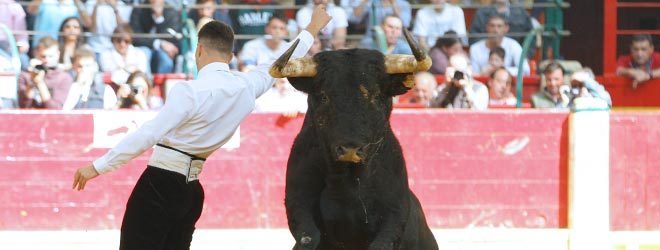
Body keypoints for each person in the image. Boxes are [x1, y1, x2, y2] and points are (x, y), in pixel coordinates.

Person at [72, 5, 332, 249]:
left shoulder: (188, 91)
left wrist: (98, 167)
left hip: (160, 184)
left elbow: (149, 133)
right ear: (231, 56)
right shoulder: (247, 87)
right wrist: (312, 28)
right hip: (192, 191)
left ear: (198, 50)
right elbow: (281, 60)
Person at [18, 37, 73, 109]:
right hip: (29, 118)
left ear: (58, 54)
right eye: (43, 56)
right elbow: (23, 106)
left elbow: (55, 109)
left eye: (51, 56)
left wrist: (40, 83)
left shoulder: (64, 78)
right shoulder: (25, 75)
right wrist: (31, 83)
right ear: (37, 54)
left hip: (52, 119)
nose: (47, 60)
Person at [129, 0, 181, 74]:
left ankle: (163, 84)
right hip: (144, 46)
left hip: (163, 49)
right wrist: (158, 43)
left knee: (166, 60)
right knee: (143, 55)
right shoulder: (139, 10)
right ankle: (146, 82)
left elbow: (173, 36)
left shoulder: (171, 12)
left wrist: (159, 17)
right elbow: (136, 37)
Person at [531, 62, 611, 108]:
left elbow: (606, 100)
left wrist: (586, 80)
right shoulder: (536, 99)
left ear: (563, 79)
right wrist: (563, 103)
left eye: (556, 79)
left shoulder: (572, 95)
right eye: (549, 80)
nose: (552, 83)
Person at [469, 0, 533, 46]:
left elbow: (531, 37)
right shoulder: (481, 13)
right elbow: (474, 37)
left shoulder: (521, 13)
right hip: (487, 56)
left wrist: (524, 56)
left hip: (515, 57)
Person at [0, 0, 29, 70]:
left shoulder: (15, 7)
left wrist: (22, 44)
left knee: (24, 61)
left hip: (8, 46)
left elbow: (21, 33)